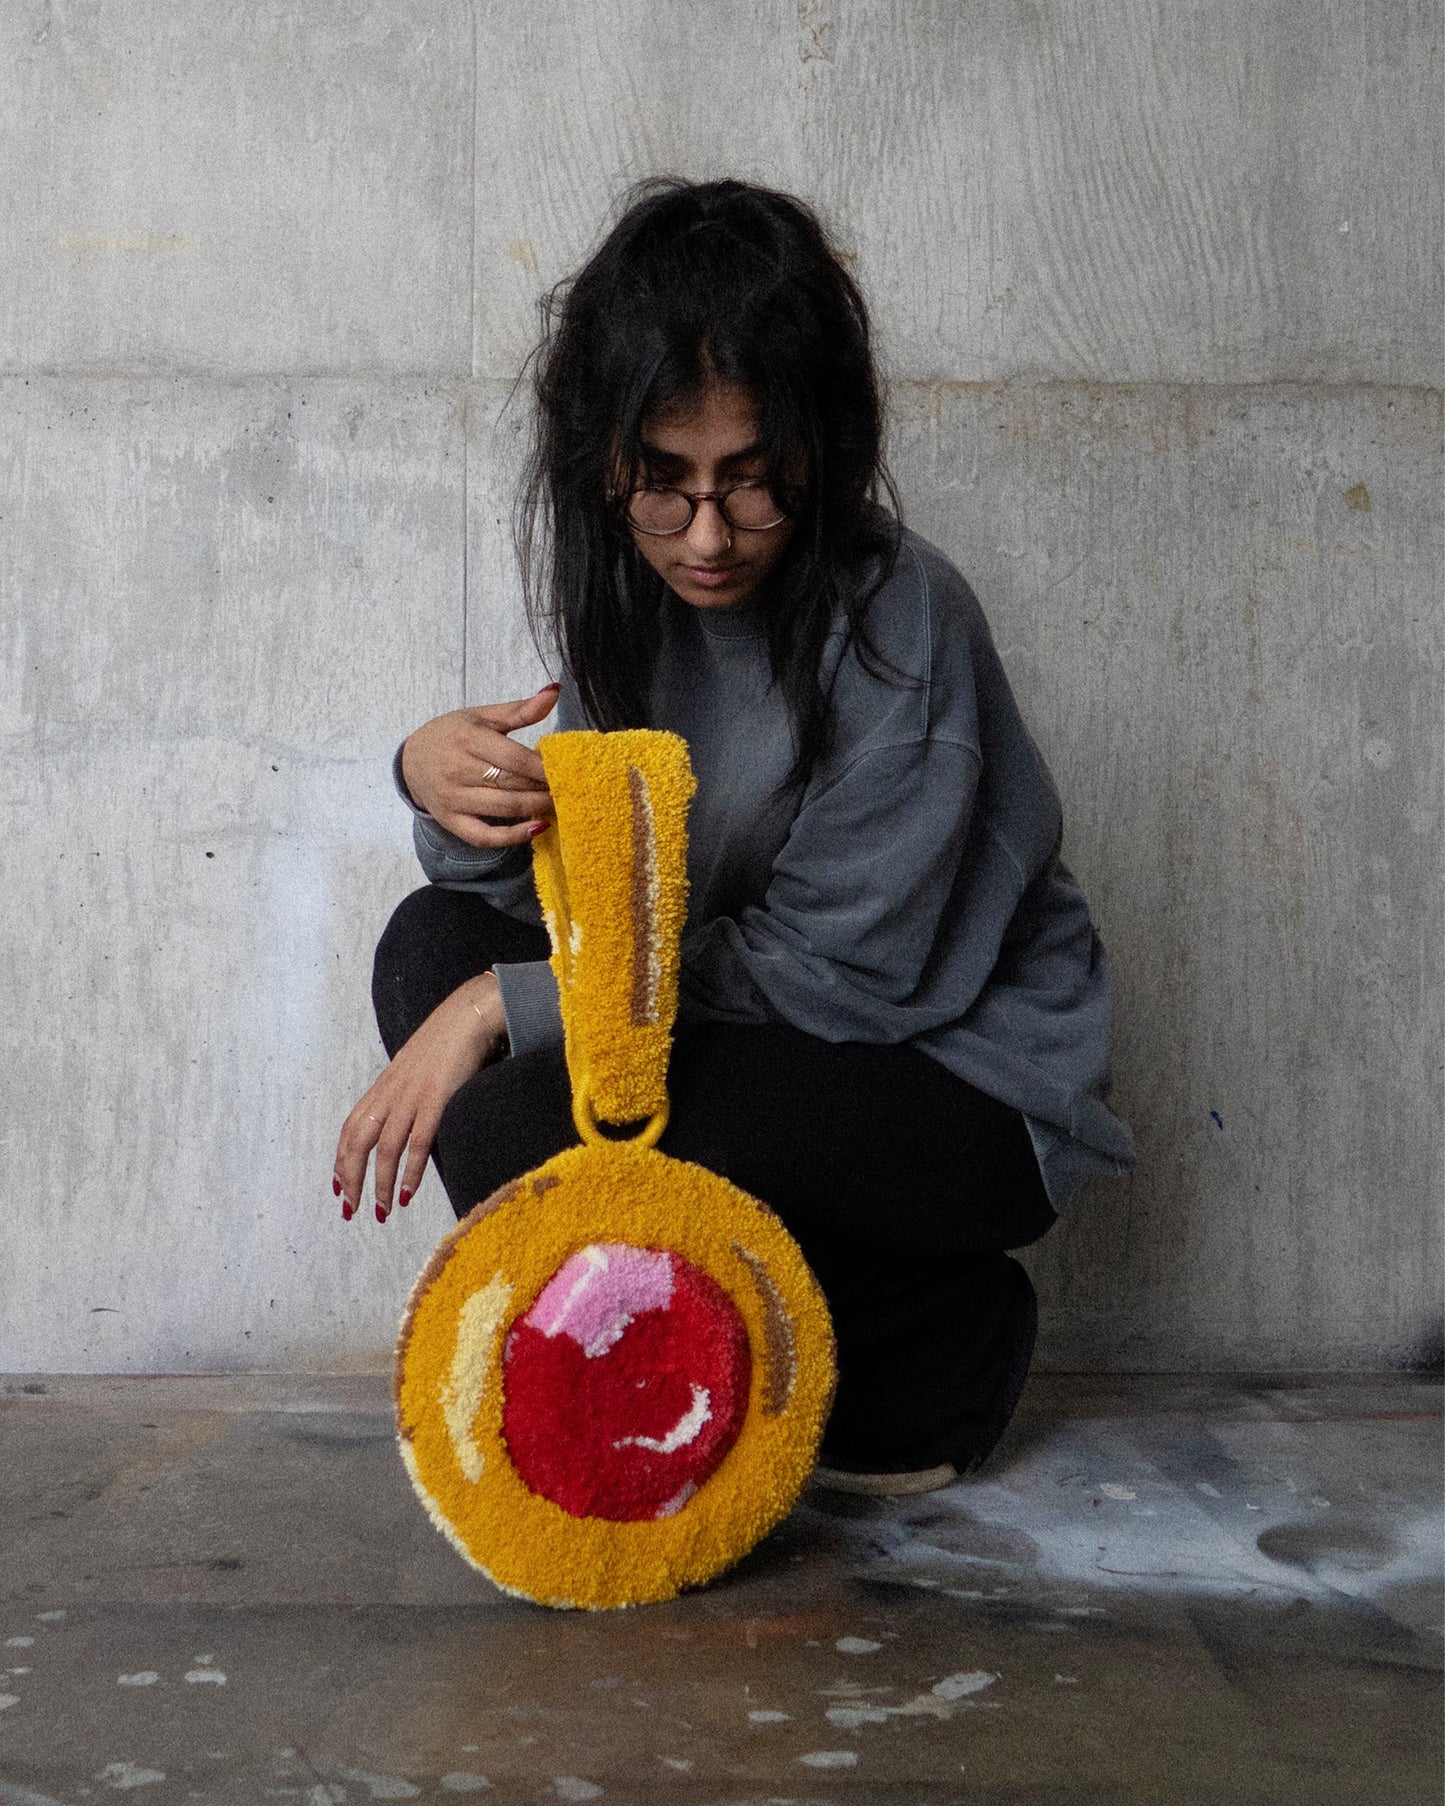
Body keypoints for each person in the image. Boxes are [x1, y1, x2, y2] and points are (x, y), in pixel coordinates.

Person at [333, 177, 1135, 1496]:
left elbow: (844, 976)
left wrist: (509, 1006)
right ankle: (755, 1374)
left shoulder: (899, 622)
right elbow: (596, 900)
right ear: (605, 459)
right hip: (768, 1036)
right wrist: (443, 788)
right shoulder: (628, 594)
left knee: (521, 1089)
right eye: (664, 483)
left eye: (752, 483)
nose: (705, 535)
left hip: (951, 1085)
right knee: (431, 946)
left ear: (815, 454)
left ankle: (932, 1344)